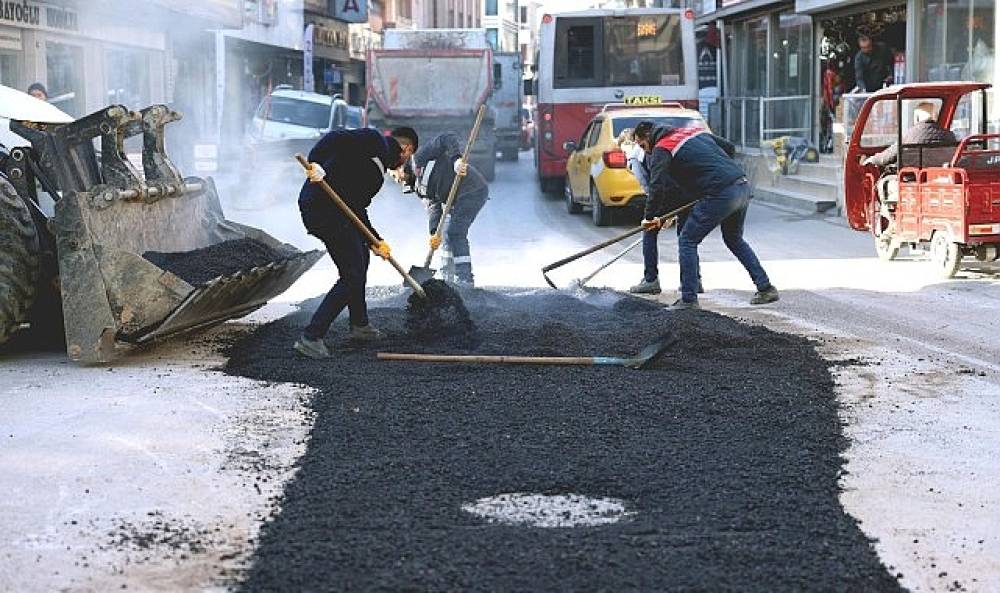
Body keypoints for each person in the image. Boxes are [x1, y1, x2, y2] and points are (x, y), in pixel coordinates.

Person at [293, 126, 418, 359]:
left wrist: (375, 241)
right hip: (321, 207)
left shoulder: (376, 175)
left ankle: (360, 325)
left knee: (361, 257)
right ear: (405, 149)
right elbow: (336, 136)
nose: (403, 165)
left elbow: (357, 209)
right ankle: (311, 337)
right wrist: (317, 163)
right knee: (352, 272)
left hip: (334, 213)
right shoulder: (375, 141)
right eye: (407, 158)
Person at [634, 120, 778, 309]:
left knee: (687, 241)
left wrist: (650, 217)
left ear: (648, 136)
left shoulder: (663, 147)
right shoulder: (693, 132)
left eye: (643, 146)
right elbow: (729, 148)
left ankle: (688, 299)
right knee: (734, 239)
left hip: (722, 193)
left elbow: (657, 185)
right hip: (741, 185)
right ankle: (765, 288)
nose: (645, 152)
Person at [619, 129, 703, 296]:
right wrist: (669, 212)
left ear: (627, 143)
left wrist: (655, 214)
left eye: (621, 147)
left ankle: (651, 280)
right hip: (685, 193)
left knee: (649, 232)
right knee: (686, 237)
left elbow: (649, 186)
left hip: (666, 193)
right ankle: (693, 280)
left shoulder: (634, 155)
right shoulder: (655, 148)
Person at [411, 132, 489, 286]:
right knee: (445, 235)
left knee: (455, 232)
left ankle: (465, 279)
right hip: (456, 199)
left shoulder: (420, 157)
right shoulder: (418, 188)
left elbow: (446, 138)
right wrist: (434, 233)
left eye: (396, 174)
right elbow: (433, 206)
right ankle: (448, 275)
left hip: (473, 190)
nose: (397, 178)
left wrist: (456, 160)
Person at [863, 101, 957, 168]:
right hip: (942, 178)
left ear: (916, 117)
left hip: (911, 179)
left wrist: (872, 159)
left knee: (883, 184)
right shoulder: (949, 135)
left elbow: (886, 157)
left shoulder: (909, 135)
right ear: (935, 117)